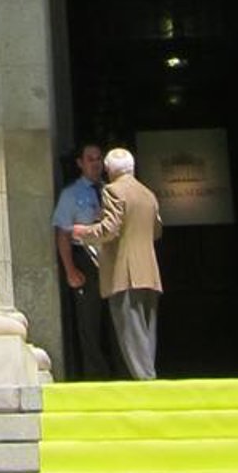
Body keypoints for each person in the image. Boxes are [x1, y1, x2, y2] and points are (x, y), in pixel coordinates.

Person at [71, 145, 163, 381]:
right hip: (149, 272)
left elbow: (109, 229)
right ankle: (148, 377)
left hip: (124, 272)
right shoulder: (148, 194)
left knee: (131, 333)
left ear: (110, 169)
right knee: (146, 334)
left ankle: (146, 382)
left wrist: (84, 232)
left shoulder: (113, 190)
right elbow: (156, 231)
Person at [51, 141, 109, 380]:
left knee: (115, 321)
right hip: (85, 260)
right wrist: (70, 270)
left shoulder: (111, 191)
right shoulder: (71, 194)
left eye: (99, 159)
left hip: (111, 262)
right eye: (90, 159)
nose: (96, 164)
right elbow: (63, 234)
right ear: (80, 163)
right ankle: (96, 375)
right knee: (89, 323)